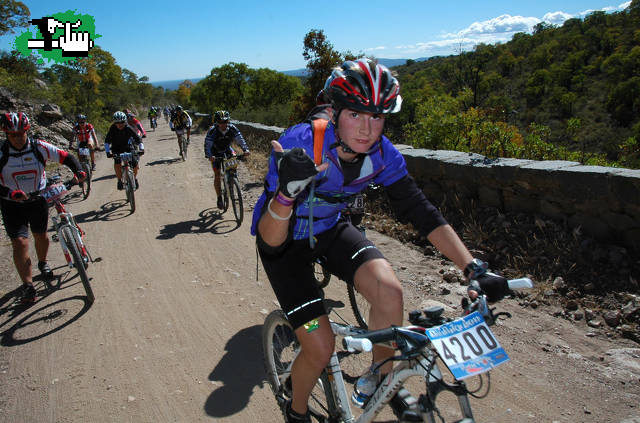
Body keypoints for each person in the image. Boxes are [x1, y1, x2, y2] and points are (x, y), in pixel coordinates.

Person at [250, 59, 510, 423]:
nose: (367, 129)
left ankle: (383, 379)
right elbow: (271, 241)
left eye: (377, 117)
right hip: (284, 245)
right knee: (319, 346)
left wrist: (472, 267)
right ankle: (295, 408)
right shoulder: (302, 145)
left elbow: (420, 211)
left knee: (390, 291)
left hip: (328, 230)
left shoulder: (382, 154)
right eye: (356, 115)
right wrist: (285, 196)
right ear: (335, 112)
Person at [0, 112, 86, 303]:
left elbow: (66, 157)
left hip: (37, 199)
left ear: (26, 131)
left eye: (21, 133)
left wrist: (78, 171)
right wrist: (9, 194)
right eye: (12, 135)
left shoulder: (38, 146)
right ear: (6, 134)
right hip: (12, 204)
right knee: (20, 243)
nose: (17, 138)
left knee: (41, 236)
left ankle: (43, 263)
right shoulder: (2, 152)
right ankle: (28, 286)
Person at [204, 110, 250, 209]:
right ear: (217, 122)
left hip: (227, 150)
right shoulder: (212, 131)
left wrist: (245, 149)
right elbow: (207, 145)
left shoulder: (232, 128)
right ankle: (219, 197)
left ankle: (232, 180)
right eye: (220, 122)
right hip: (215, 152)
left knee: (233, 166)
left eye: (225, 121)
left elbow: (240, 139)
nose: (223, 124)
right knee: (217, 175)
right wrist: (210, 155)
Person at [104, 111, 144, 190]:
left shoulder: (128, 128)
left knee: (135, 164)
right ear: (115, 123)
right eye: (117, 122)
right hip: (116, 148)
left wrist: (141, 148)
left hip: (128, 147)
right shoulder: (112, 129)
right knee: (117, 163)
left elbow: (138, 139)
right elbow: (107, 142)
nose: (120, 124)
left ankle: (134, 179)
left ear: (125, 121)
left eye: (122, 122)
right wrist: (108, 152)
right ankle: (119, 180)